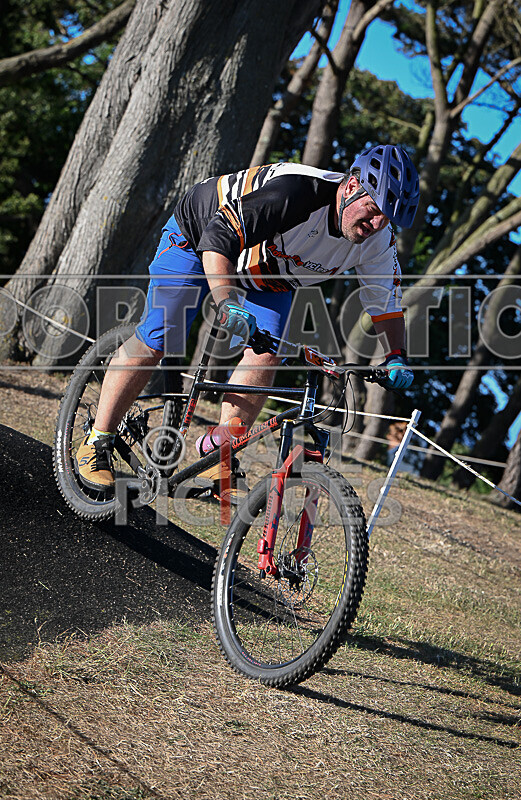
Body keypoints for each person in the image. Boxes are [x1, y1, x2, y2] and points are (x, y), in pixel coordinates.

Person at [76, 144, 420, 498]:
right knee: (160, 336)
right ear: (350, 187)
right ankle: (97, 441)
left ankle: (217, 455)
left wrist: (395, 355)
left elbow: (387, 305)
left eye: (387, 218)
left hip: (268, 273)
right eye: (374, 209)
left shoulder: (378, 240)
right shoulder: (297, 193)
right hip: (200, 237)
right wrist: (226, 302)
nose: (377, 223)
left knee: (267, 355)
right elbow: (218, 237)